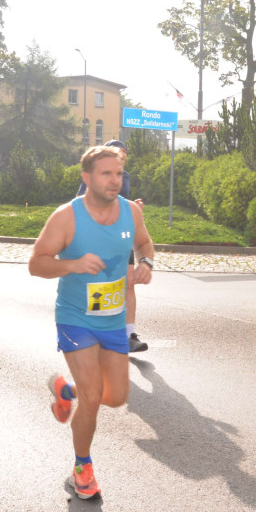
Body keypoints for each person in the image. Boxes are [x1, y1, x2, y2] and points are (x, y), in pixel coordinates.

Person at [29, 145, 155, 500]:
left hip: (112, 320)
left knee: (115, 398)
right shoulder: (66, 217)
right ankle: (81, 470)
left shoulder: (131, 212)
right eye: (106, 173)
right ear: (87, 178)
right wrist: (72, 264)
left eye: (119, 174)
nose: (115, 180)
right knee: (93, 395)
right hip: (75, 317)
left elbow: (145, 243)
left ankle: (64, 391)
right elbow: (36, 263)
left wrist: (147, 263)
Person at [77, 139, 147, 353]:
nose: (123, 154)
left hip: (121, 238)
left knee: (129, 285)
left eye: (125, 151)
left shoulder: (124, 177)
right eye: (118, 150)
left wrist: (133, 208)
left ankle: (129, 336)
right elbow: (81, 200)